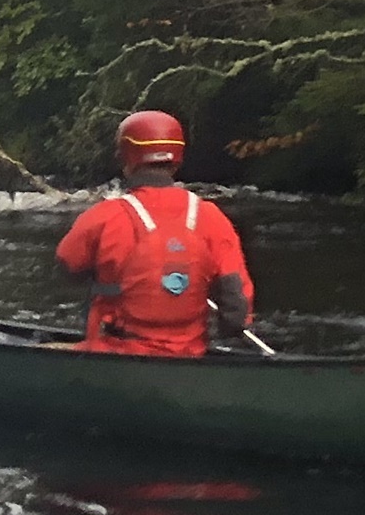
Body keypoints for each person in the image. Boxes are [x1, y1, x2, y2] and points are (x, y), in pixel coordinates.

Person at [54, 110, 255, 356]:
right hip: (190, 355)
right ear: (177, 158)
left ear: (125, 157)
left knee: (47, 349)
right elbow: (236, 306)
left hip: (113, 352)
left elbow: (67, 268)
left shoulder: (104, 216)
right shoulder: (211, 216)